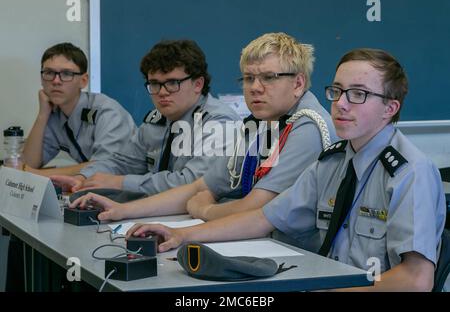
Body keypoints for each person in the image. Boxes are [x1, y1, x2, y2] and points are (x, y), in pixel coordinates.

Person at [123, 48, 446, 291]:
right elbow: (264, 218)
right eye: (336, 91)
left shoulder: (410, 172)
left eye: (358, 94)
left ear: (390, 108)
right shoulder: (334, 162)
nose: (341, 104)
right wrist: (181, 234)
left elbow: (415, 280)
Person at [71, 32, 336, 223]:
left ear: (299, 84)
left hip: (299, 257)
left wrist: (205, 211)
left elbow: (257, 206)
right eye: (248, 78)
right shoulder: (261, 125)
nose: (255, 87)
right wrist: (121, 210)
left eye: (268, 77)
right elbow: (201, 187)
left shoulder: (307, 126)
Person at [52, 39, 240, 195]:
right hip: (158, 214)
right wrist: (83, 178)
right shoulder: (157, 119)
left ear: (198, 84)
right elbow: (123, 162)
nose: (162, 92)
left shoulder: (218, 122)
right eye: (155, 84)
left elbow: (192, 183)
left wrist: (120, 183)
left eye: (173, 83)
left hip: (202, 221)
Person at [22, 42, 137, 177]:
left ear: (83, 80)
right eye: (49, 73)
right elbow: (28, 163)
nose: (56, 81)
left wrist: (37, 174)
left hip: (133, 192)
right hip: (97, 189)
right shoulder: (55, 114)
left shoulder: (107, 112)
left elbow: (104, 167)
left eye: (66, 74)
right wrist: (42, 115)